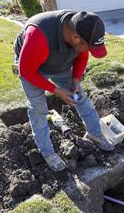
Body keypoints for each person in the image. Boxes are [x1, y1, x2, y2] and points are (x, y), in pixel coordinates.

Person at [14, 10, 114, 172]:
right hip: (32, 66)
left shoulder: (80, 28)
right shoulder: (38, 35)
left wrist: (75, 79)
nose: (87, 50)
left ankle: (95, 133)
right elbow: (26, 71)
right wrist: (57, 91)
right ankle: (47, 152)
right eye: (87, 46)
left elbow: (82, 55)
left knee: (79, 96)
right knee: (38, 108)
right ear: (76, 38)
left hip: (59, 63)